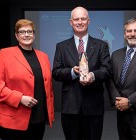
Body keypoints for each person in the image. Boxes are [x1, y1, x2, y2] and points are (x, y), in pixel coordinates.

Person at [0, 19, 54, 140]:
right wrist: (19, 98)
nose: (26, 35)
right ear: (16, 35)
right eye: (22, 32)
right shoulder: (5, 54)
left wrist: (49, 113)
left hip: (38, 117)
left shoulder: (43, 56)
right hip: (12, 119)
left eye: (30, 31)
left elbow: (47, 87)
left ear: (34, 34)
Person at [52, 6, 111, 140]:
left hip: (94, 106)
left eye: (83, 19)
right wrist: (72, 71)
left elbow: (107, 70)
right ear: (70, 22)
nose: (80, 22)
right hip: (70, 106)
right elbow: (56, 72)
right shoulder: (61, 46)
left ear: (88, 21)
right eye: (76, 19)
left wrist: (93, 75)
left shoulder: (101, 45)